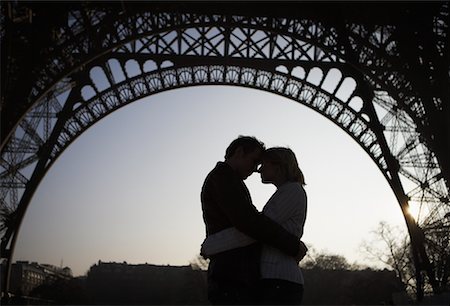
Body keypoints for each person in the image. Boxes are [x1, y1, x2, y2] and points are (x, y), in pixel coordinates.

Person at [200, 136, 307, 305]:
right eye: (255, 161)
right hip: (233, 275)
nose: (257, 169)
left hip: (244, 276)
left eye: (261, 163)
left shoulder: (290, 191)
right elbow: (252, 226)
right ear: (240, 152)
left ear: (279, 167)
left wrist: (212, 245)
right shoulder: (224, 178)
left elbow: (253, 226)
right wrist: (294, 246)